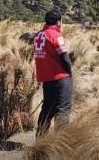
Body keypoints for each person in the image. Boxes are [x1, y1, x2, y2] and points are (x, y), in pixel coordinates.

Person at [33, 9, 73, 137]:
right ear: (58, 22)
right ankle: (61, 142)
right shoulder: (55, 35)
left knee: (47, 109)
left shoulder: (38, 35)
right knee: (63, 109)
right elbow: (64, 57)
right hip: (60, 78)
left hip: (46, 78)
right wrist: (69, 71)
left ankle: (41, 139)